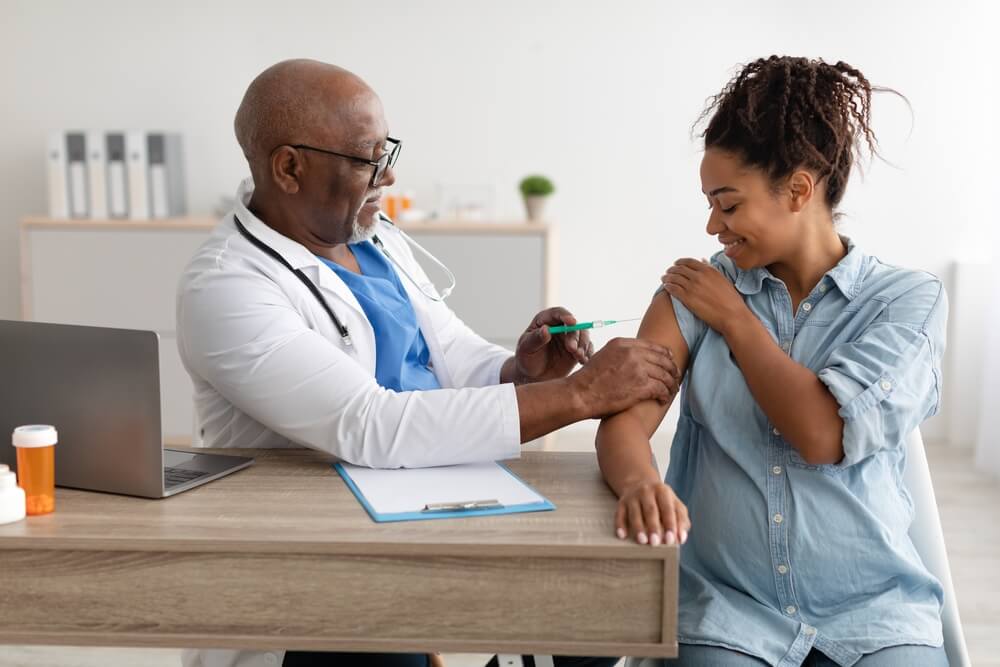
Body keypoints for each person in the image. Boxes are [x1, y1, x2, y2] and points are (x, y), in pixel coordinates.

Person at [177, 59, 674, 667]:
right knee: (393, 647)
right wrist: (582, 396)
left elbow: (451, 354)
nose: (389, 174)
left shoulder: (373, 238)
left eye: (388, 149)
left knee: (588, 618)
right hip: (316, 548)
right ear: (288, 167)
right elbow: (372, 425)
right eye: (367, 158)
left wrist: (519, 371)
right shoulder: (226, 286)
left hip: (431, 493)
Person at [596, 56, 949, 666]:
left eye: (728, 205)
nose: (713, 225)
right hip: (727, 613)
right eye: (710, 204)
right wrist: (639, 484)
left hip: (877, 613)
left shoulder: (906, 301)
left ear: (798, 190)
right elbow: (626, 421)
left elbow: (821, 433)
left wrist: (735, 319)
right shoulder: (693, 292)